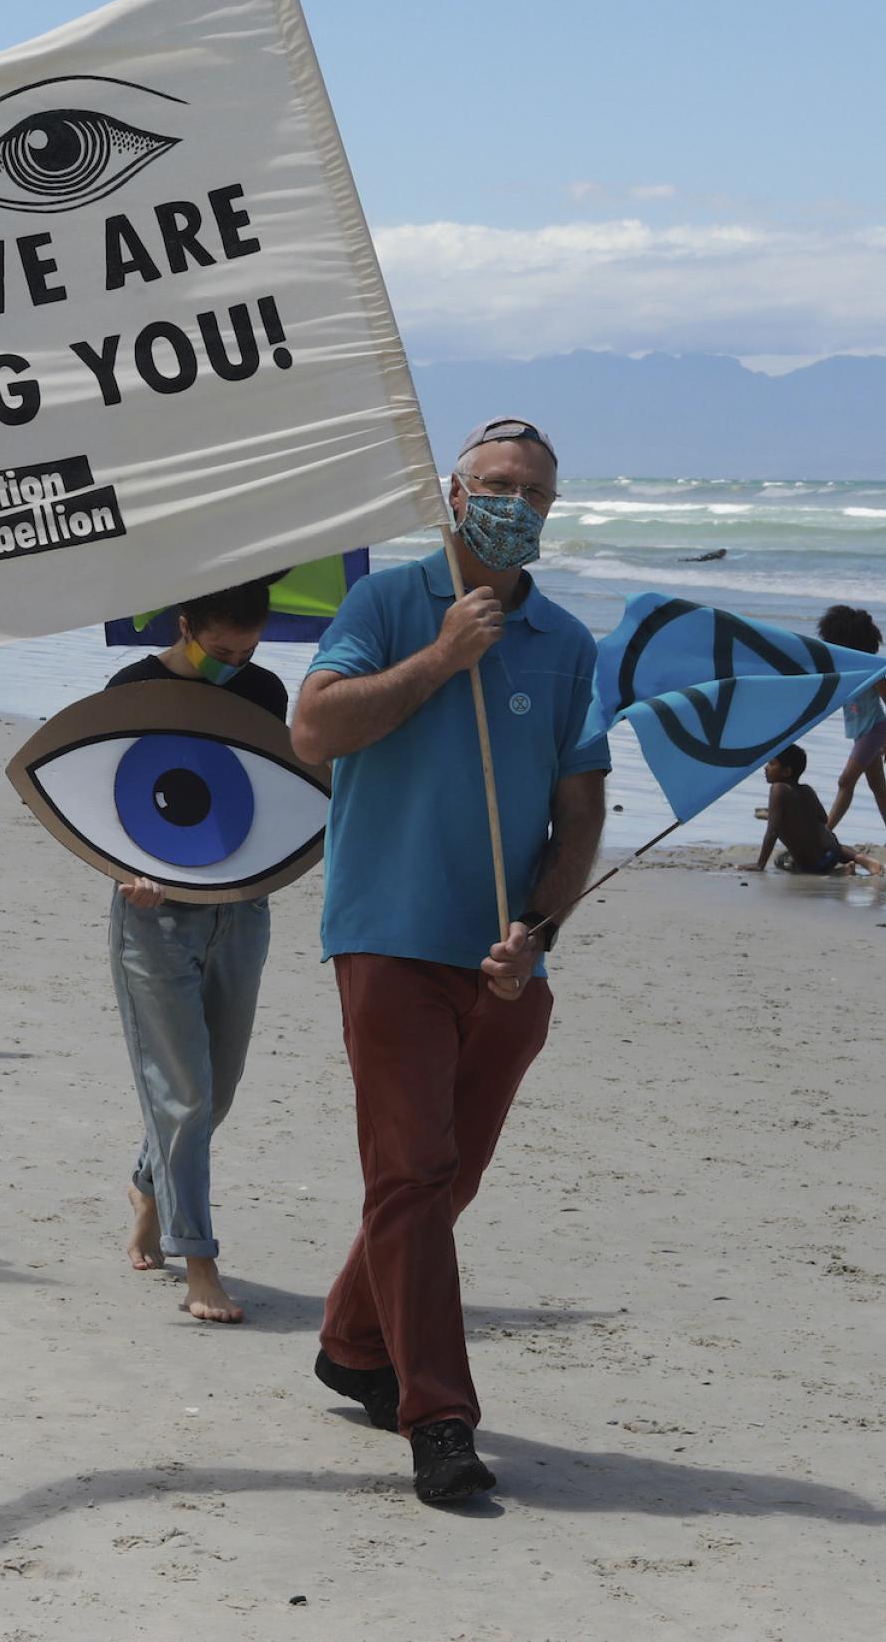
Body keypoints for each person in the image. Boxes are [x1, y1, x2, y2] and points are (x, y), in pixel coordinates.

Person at [290, 415, 609, 1508]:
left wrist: (540, 925)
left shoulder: (566, 644)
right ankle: (439, 1415)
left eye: (533, 490)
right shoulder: (384, 603)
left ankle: (349, 1339)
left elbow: (580, 807)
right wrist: (441, 657)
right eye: (496, 484)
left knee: (446, 1175)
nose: (513, 502)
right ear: (455, 493)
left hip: (505, 958)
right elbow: (315, 729)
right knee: (411, 1175)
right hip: (385, 933)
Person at [107, 579, 285, 1326]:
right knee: (181, 1090)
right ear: (183, 625)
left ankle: (149, 1184)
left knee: (219, 1089)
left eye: (247, 651)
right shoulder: (133, 688)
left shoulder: (265, 690)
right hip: (153, 919)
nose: (234, 664)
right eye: (220, 651)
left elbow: (275, 790)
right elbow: (101, 795)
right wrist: (124, 866)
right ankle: (198, 1258)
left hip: (241, 911)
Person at [818, 605, 886, 846]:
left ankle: (825, 832)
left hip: (874, 731)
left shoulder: (873, 671)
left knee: (845, 781)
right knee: (878, 787)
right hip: (861, 733)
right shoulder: (847, 669)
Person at [752, 744, 883, 876]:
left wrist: (760, 864)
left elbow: (772, 831)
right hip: (833, 852)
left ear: (786, 772)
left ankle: (839, 872)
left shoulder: (778, 789)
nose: (766, 768)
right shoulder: (807, 790)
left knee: (781, 861)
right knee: (829, 841)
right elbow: (823, 818)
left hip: (815, 864)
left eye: (771, 764)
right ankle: (862, 859)